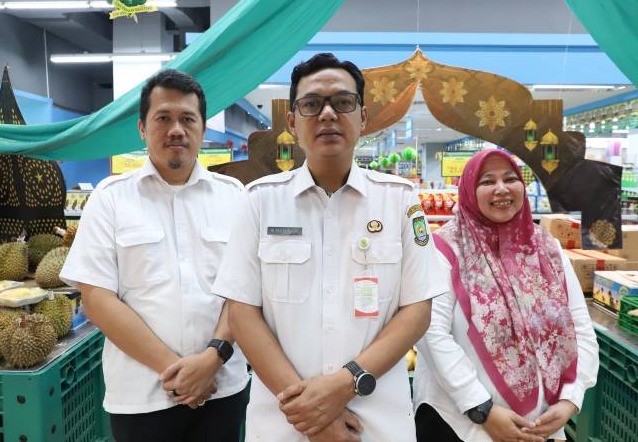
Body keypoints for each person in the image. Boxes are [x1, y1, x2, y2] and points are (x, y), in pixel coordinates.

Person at [210, 52, 448, 442]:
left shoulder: (400, 200)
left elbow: (418, 310)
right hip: (284, 423)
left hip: (377, 424)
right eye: (311, 104)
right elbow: (242, 312)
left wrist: (344, 384)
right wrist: (312, 416)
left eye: (342, 102)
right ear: (292, 122)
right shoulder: (260, 201)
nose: (327, 114)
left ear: (362, 117)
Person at [59, 69, 250, 442]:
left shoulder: (234, 197)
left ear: (202, 129)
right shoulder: (110, 198)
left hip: (221, 387)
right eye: (163, 118)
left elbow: (244, 290)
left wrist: (212, 358)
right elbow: (97, 299)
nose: (176, 129)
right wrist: (177, 372)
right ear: (142, 128)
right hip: (141, 397)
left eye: (187, 119)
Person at [412, 149, 599, 442]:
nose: (501, 189)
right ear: (469, 190)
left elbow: (580, 327)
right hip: (460, 423)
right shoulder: (444, 249)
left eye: (510, 179)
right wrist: (481, 408)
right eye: (487, 181)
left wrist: (570, 399)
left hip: (541, 422)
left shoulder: (546, 248)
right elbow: (430, 333)